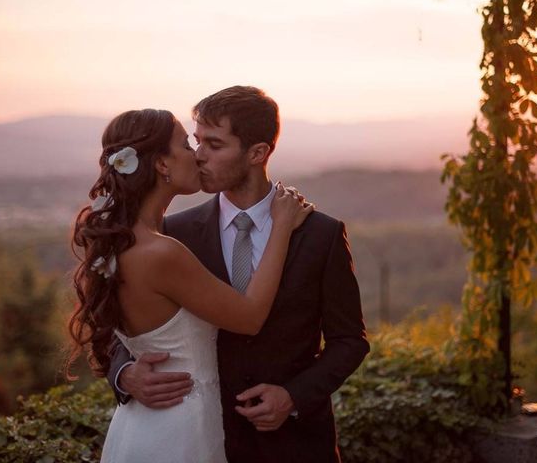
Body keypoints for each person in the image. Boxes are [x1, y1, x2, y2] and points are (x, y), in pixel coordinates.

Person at [108, 86, 370, 463]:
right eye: (196, 142)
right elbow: (128, 325)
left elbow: (350, 340)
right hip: (201, 437)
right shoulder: (172, 233)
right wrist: (125, 375)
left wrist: (293, 396)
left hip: (295, 445)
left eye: (214, 145)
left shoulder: (320, 234)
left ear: (257, 152)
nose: (199, 156)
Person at [68, 108, 313, 463]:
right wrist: (281, 227)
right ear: (162, 166)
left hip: (142, 424)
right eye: (186, 144)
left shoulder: (120, 243)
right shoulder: (161, 251)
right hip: (178, 430)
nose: (196, 154)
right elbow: (249, 317)